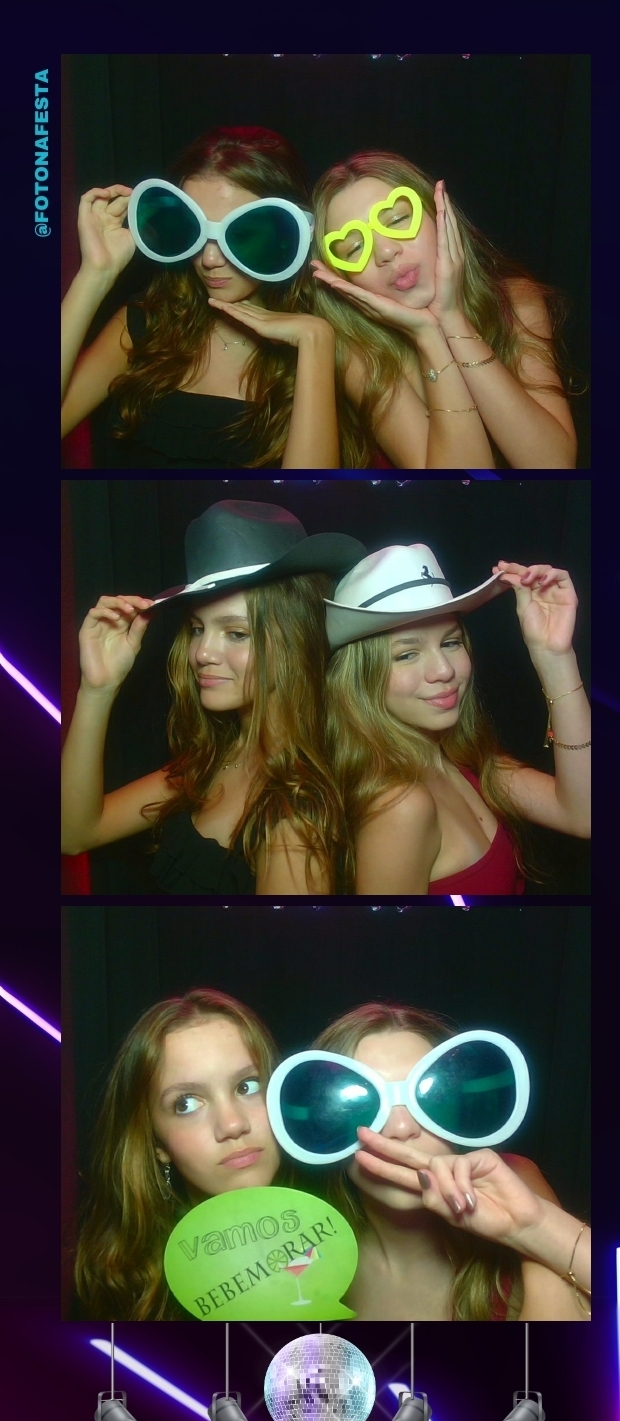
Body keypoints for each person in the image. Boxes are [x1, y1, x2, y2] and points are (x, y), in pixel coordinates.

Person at [61, 499, 365, 896]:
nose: (202, 652)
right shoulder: (217, 759)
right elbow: (74, 833)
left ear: (298, 641)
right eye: (197, 629)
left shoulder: (294, 817)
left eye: (236, 633)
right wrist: (97, 688)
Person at [61, 126, 340, 468]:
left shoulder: (332, 340)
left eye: (241, 233)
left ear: (287, 231)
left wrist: (315, 340)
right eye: (195, 227)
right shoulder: (146, 322)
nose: (209, 259)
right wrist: (95, 274)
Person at [324, 545, 591, 894]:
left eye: (450, 643)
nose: (444, 670)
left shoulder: (458, 758)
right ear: (360, 676)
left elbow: (584, 814)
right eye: (406, 654)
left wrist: (554, 655)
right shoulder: (402, 807)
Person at [308, 1004, 590, 1322]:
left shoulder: (517, 1191)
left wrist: (537, 1232)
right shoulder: (301, 1268)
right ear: (325, 1125)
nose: (401, 1128)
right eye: (360, 1105)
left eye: (431, 1097)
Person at [310, 151, 579, 468]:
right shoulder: (359, 354)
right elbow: (461, 479)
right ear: (341, 276)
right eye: (354, 248)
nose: (386, 251)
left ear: (439, 215)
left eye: (397, 220)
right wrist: (427, 336)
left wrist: (452, 318)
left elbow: (552, 466)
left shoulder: (518, 301)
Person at [73, 988, 283, 1320]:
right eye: (186, 1104)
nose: (232, 1124)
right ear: (158, 1145)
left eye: (247, 1086)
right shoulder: (127, 1290)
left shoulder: (347, 1238)